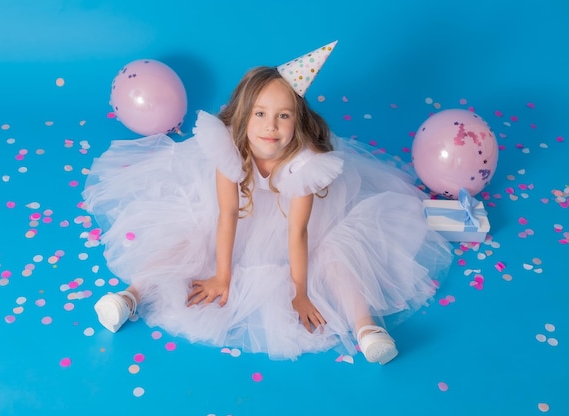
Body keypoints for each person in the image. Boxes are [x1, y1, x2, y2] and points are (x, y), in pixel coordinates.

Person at [83, 41, 453, 364]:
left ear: (297, 120)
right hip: (231, 211)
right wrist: (223, 277)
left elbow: (298, 232)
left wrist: (301, 292)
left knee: (337, 253)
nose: (270, 127)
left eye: (283, 116)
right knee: (191, 234)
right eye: (260, 114)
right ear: (243, 117)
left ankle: (366, 328)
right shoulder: (226, 150)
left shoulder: (305, 165)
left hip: (297, 219)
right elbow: (227, 214)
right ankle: (130, 295)